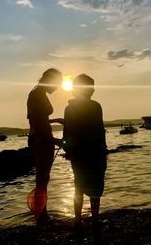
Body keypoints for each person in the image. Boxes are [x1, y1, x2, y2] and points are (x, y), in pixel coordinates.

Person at [62, 74, 107, 230]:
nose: (93, 89)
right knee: (95, 187)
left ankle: (77, 220)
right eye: (90, 86)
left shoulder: (69, 108)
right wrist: (104, 153)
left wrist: (66, 148)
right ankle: (94, 220)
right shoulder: (96, 107)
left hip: (78, 155)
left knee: (78, 187)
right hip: (95, 154)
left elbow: (66, 134)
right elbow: (100, 132)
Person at [27, 68, 63, 224]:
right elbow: (34, 121)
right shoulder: (37, 94)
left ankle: (43, 214)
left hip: (41, 138)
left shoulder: (37, 93)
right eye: (57, 84)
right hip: (42, 139)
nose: (57, 88)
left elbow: (39, 118)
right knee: (42, 179)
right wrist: (54, 140)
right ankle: (41, 216)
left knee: (43, 178)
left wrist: (54, 121)